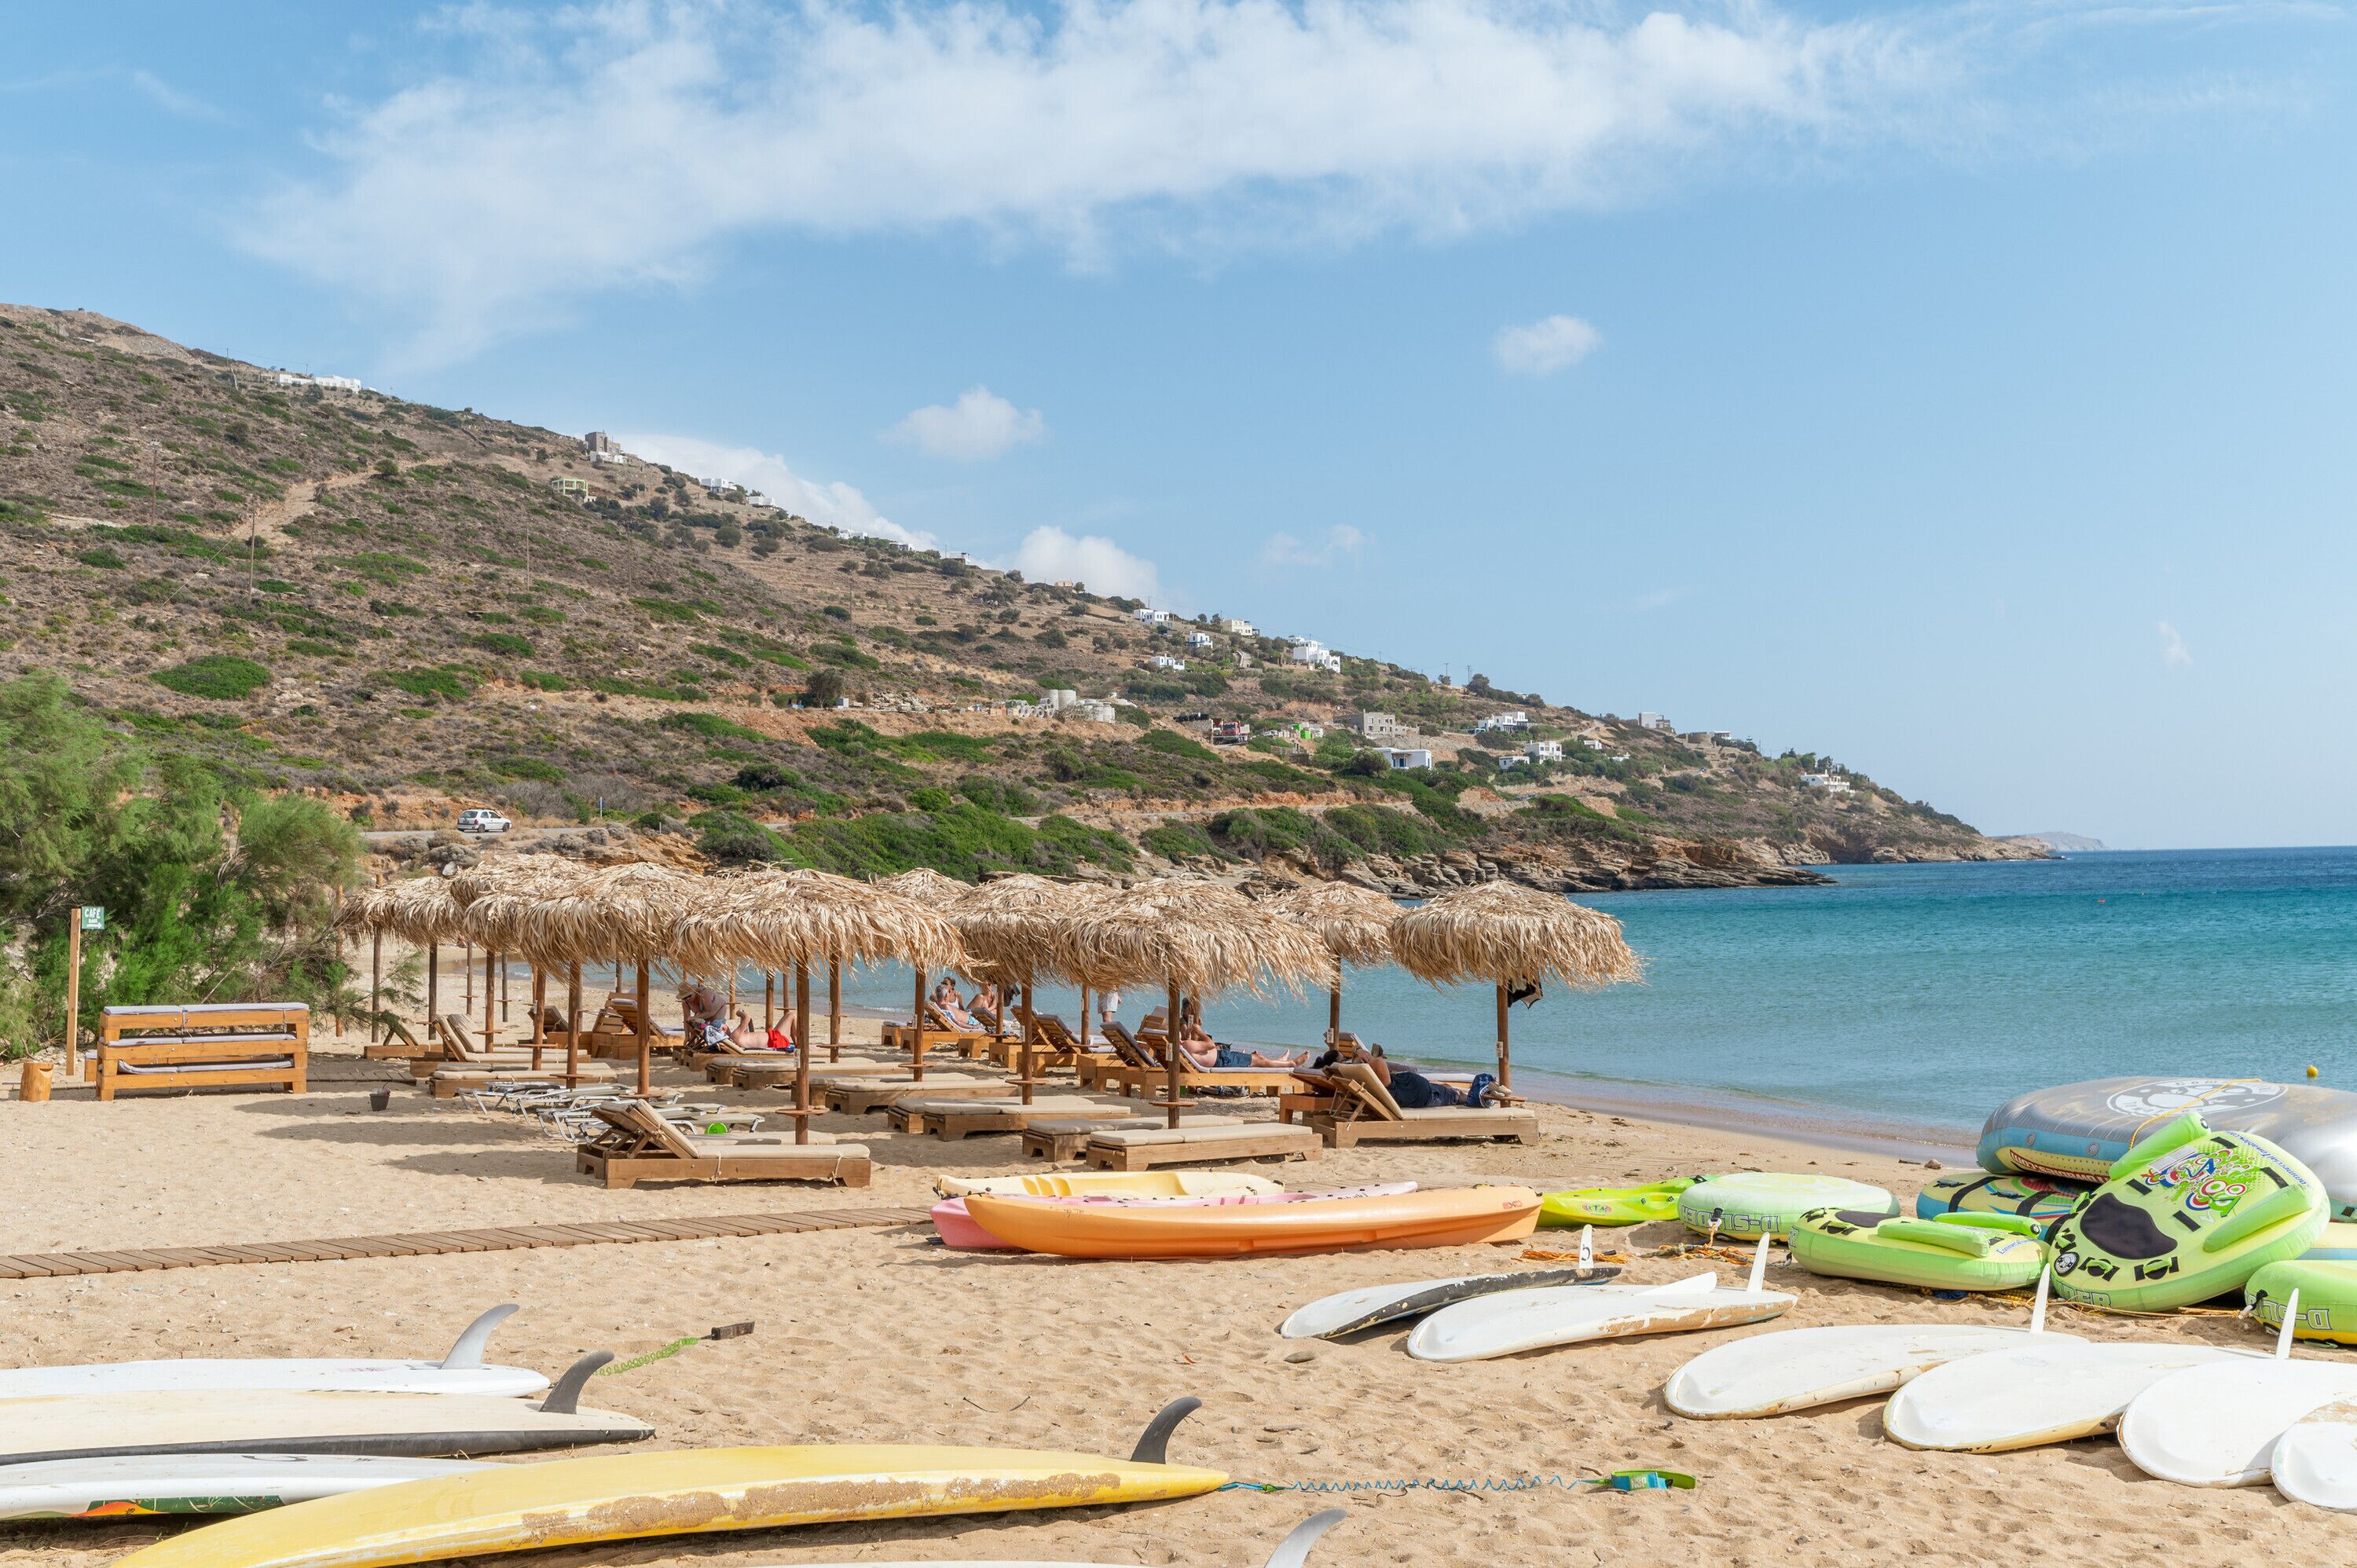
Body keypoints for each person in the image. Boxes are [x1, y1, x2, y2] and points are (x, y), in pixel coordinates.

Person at [1314, 1032, 1494, 1108]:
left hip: (1423, 1091)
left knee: (1446, 1087)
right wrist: (1365, 1055)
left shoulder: (1372, 1084)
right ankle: (1475, 1097)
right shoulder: (1385, 1087)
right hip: (1426, 1095)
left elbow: (1376, 1065)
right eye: (1342, 1059)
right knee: (1453, 1093)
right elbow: (1379, 1064)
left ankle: (1471, 1095)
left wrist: (1358, 1054)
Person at [1173, 1006, 1303, 1069]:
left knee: (1256, 1057)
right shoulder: (1187, 1045)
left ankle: (1280, 1060)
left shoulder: (1183, 1047)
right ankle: (1291, 1063)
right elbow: (1211, 1044)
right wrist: (1200, 1031)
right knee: (1259, 1059)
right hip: (1223, 1061)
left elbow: (1202, 1047)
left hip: (1222, 1058)